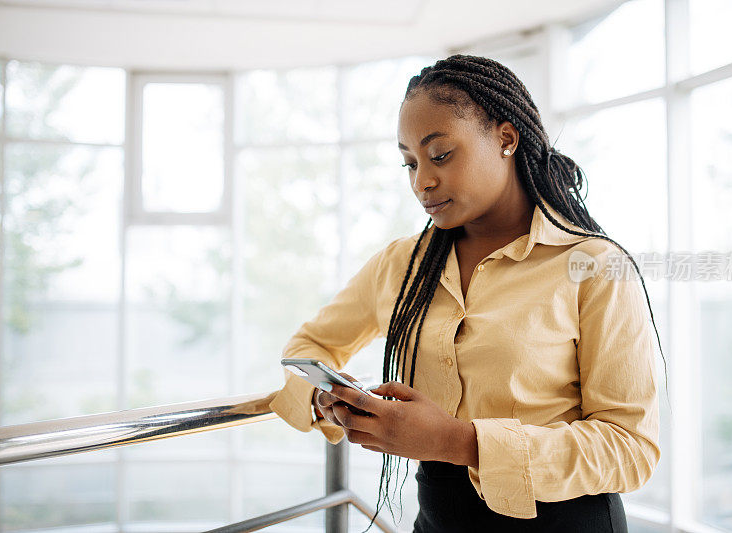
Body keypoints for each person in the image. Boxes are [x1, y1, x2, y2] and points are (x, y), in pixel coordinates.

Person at [268, 54, 665, 532]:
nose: (422, 182)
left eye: (440, 155)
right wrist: (324, 398)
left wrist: (459, 442)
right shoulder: (401, 264)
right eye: (409, 163)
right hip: (438, 520)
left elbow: (630, 448)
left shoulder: (594, 266)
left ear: (505, 139)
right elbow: (307, 349)